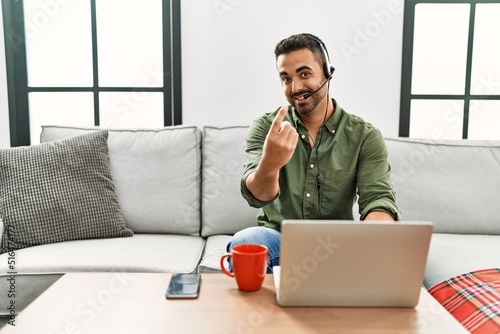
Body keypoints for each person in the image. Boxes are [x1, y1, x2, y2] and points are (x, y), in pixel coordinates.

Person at [227, 33, 401, 273]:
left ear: (328, 73)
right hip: (279, 241)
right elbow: (257, 196)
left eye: (304, 74)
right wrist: (269, 164)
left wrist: (370, 240)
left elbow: (378, 199)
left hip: (338, 247)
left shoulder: (364, 137)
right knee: (247, 242)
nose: (295, 87)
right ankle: (266, 312)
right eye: (286, 78)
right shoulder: (267, 128)